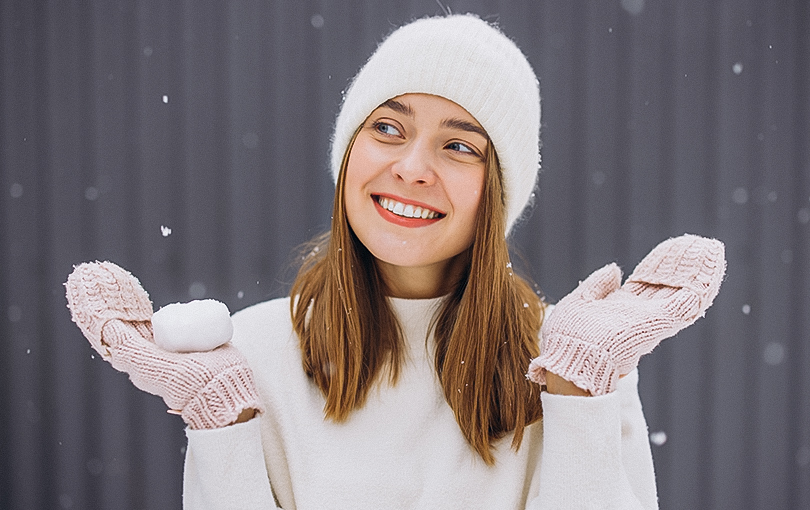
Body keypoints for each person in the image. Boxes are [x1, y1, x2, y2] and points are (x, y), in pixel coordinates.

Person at [65, 14, 725, 510]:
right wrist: (225, 425)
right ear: (349, 150)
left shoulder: (571, 357)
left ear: (498, 192)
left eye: (459, 146)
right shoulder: (249, 356)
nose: (411, 168)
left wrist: (580, 392)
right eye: (388, 128)